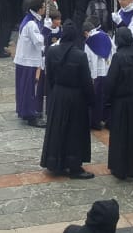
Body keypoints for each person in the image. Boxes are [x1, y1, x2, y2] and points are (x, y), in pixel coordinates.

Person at [40, 22, 94, 180]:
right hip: (75, 97)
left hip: (58, 94)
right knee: (75, 131)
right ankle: (75, 166)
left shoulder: (52, 51)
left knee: (57, 129)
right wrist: (91, 100)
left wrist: (54, 92)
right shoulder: (80, 55)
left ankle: (56, 163)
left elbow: (48, 75)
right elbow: (86, 81)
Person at [105, 28, 133, 180]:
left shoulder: (118, 57)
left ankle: (119, 168)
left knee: (120, 134)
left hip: (121, 101)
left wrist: (107, 99)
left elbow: (111, 81)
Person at [14, 0, 49, 127]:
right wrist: (46, 30)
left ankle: (24, 110)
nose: (45, 9)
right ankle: (30, 116)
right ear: (39, 9)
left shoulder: (30, 19)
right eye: (44, 7)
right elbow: (38, 42)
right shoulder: (31, 24)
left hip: (25, 59)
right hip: (28, 61)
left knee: (24, 88)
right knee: (28, 89)